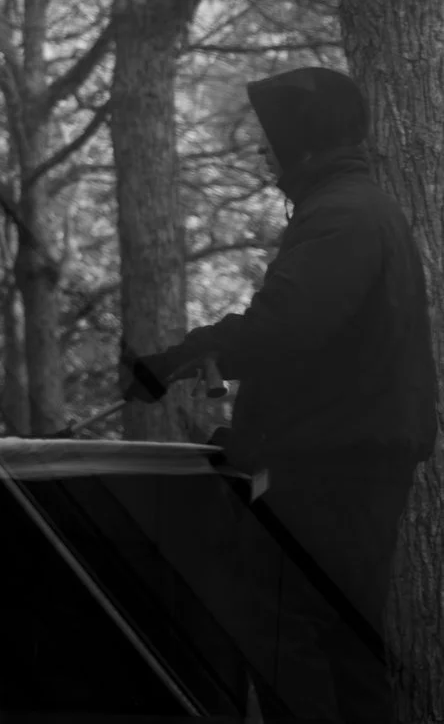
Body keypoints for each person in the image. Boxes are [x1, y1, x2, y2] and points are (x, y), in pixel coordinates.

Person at [119, 66, 437, 724]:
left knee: (286, 630)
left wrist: (180, 357)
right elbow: (318, 346)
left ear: (306, 139)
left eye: (273, 136)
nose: (264, 150)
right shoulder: (346, 208)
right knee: (340, 646)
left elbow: (286, 326)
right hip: (341, 457)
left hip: (334, 467)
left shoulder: (345, 215)